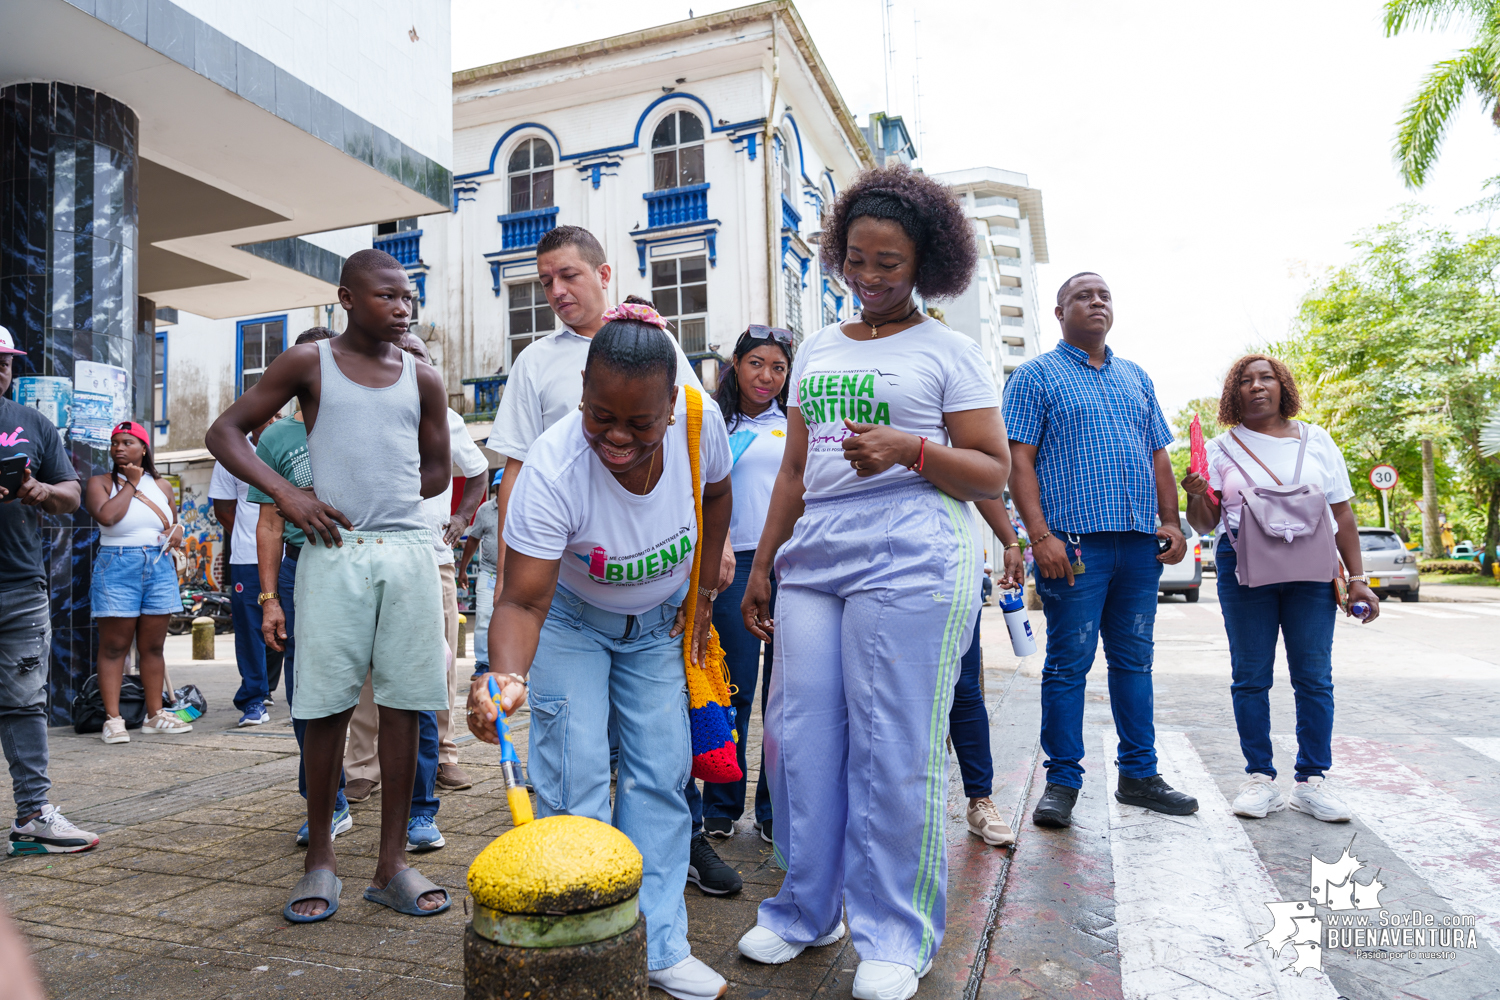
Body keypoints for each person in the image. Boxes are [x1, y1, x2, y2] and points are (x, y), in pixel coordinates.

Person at [736, 164, 1010, 1000]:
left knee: (894, 743)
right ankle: (806, 910)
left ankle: (896, 932)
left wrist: (909, 449)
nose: (868, 277)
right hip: (815, 555)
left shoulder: (948, 351)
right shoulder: (816, 348)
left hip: (914, 551)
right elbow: (792, 470)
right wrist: (761, 566)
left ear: (925, 263)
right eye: (856, 258)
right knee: (797, 739)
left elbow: (991, 470)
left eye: (888, 263)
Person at [467, 304, 733, 1000]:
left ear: (671, 405)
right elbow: (522, 601)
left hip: (656, 628)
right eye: (599, 416)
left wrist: (704, 589)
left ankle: (660, 945)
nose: (616, 437)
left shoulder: (701, 422)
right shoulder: (553, 470)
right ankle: (587, 945)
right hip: (569, 625)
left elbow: (717, 491)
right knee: (573, 778)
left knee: (660, 778)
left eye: (639, 424)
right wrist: (504, 675)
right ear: (582, 392)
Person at [206, 249, 451, 923]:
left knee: (406, 705)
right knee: (322, 706)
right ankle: (321, 859)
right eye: (387, 296)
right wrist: (289, 494)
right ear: (345, 298)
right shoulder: (307, 364)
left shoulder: (423, 378)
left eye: (409, 298)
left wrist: (382, 486)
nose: (402, 307)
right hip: (332, 552)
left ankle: (392, 864)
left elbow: (435, 472)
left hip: (405, 551)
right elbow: (224, 432)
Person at [1004, 272, 1195, 831]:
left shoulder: (1137, 377)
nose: (1096, 302)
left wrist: (1172, 521)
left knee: (1135, 661)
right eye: (1083, 296)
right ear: (1060, 311)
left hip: (1138, 545)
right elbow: (1019, 461)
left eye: (1104, 295)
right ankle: (1062, 782)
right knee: (1068, 665)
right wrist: (1040, 538)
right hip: (1075, 547)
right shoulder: (1036, 376)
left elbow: (1159, 457)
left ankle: (1139, 774)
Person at [1181, 354, 1378, 823]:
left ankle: (1311, 781)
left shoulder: (1317, 440)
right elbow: (1206, 523)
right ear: (1234, 393)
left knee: (1314, 675)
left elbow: (1342, 515)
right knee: (1251, 675)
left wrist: (1358, 579)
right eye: (1245, 381)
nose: (1256, 386)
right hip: (1244, 566)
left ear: (1282, 386)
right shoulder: (1220, 448)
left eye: (1266, 378)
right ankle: (1259, 778)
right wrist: (1194, 493)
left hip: (1313, 569)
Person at [342, 333, 488, 805]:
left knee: (437, 666)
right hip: (371, 556)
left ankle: (444, 754)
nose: (412, 367)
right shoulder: (365, 414)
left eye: (420, 358)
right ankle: (363, 763)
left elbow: (479, 470)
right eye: (402, 358)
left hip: (433, 559)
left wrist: (463, 518)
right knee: (367, 667)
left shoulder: (446, 418)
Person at [249, 327, 354, 845]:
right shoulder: (276, 437)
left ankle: (417, 809)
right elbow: (268, 525)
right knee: (304, 691)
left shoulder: (362, 420)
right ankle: (327, 803)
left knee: (396, 691)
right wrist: (270, 599)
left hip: (361, 560)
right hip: (299, 566)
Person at [0, 325, 97, 856]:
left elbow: (72, 493)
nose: (0, 368)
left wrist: (38, 491)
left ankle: (33, 817)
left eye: (6, 361)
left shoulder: (33, 423)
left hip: (19, 585)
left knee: (24, 703)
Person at [698, 324, 792, 847]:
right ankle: (721, 803)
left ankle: (775, 807)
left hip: (789, 565)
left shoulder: (792, 423)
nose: (767, 376)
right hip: (731, 567)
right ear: (736, 364)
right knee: (733, 688)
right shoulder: (714, 420)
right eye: (756, 363)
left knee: (784, 694)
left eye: (778, 367)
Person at [83, 421, 191, 744]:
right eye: (115, 443)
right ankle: (113, 719)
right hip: (117, 565)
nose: (118, 448)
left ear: (144, 449)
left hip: (157, 565)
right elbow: (108, 517)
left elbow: (174, 523)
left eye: (127, 442)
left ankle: (155, 714)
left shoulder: (163, 486)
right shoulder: (99, 482)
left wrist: (178, 533)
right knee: (115, 646)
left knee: (153, 647)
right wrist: (131, 484)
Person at [951, 502, 1026, 850]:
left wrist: (1011, 542)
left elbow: (985, 473)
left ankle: (980, 799)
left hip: (949, 560)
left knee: (964, 687)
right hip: (875, 558)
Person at [210, 416, 278, 727]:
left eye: (278, 414)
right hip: (248, 558)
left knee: (289, 623)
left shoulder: (294, 449)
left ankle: (271, 687)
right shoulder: (232, 457)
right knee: (250, 627)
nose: (272, 420)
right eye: (266, 415)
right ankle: (253, 698)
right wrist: (252, 536)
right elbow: (224, 510)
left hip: (290, 552)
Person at [457, 469, 505, 676]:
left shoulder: (524, 508)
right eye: (500, 487)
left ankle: (510, 666)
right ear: (495, 489)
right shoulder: (485, 510)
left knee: (515, 620)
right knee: (484, 617)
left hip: (515, 577)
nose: (504, 490)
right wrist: (463, 569)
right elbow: (474, 539)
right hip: (489, 574)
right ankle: (484, 663)